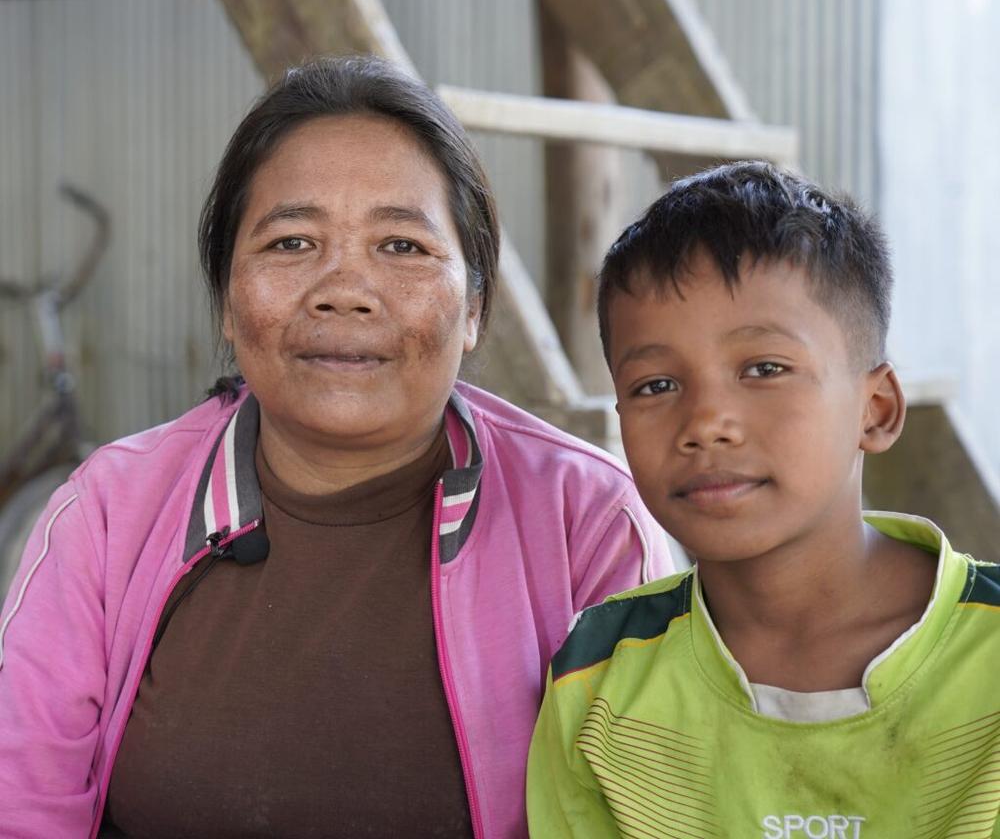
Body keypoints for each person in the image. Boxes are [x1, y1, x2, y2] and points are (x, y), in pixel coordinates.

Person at [0, 55, 671, 839]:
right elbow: (23, 804)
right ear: (225, 297)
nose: (343, 288)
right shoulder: (110, 512)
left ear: (477, 307)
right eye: (291, 243)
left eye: (402, 247)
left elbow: (649, 808)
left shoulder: (584, 519)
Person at [527, 162, 1000, 838]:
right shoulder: (598, 682)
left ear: (876, 409)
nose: (706, 422)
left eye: (765, 369)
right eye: (655, 385)